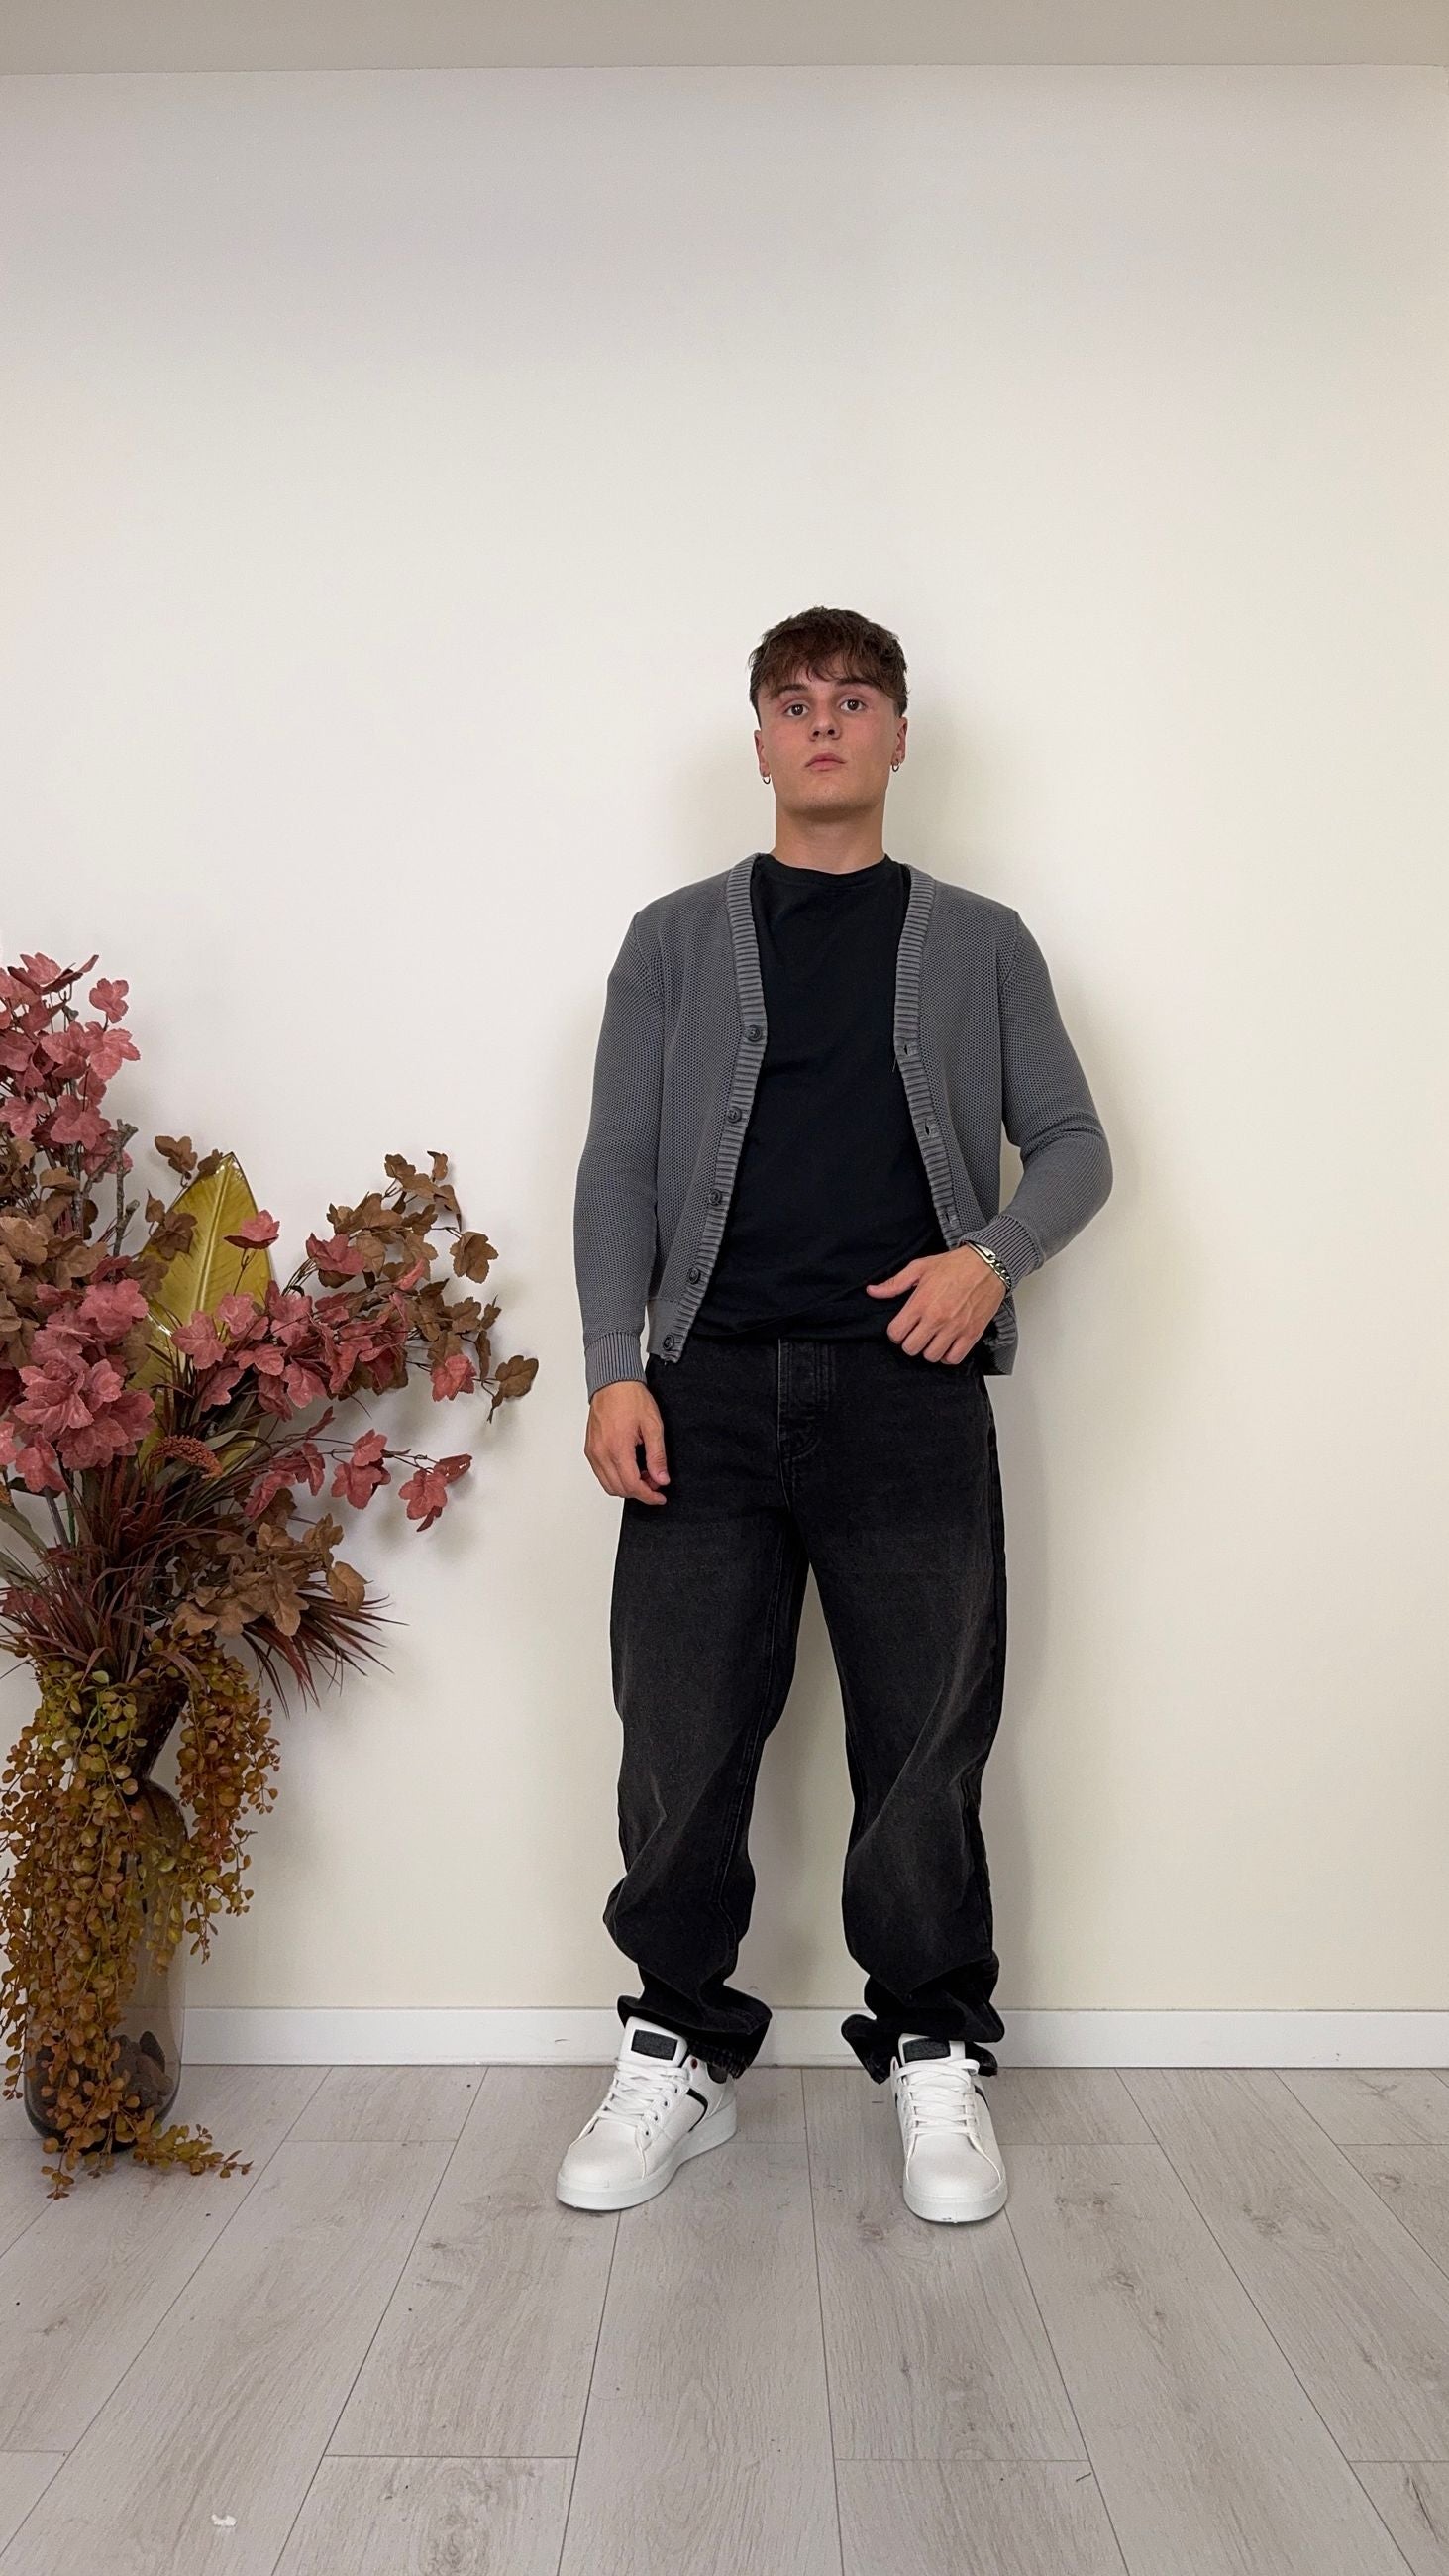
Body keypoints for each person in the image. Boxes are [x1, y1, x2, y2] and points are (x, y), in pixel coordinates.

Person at [560, 605, 1112, 2224]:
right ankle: (679, 2047)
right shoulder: (672, 940)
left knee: (924, 1748)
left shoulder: (982, 940)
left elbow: (1075, 1145)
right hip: (704, 1393)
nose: (823, 724)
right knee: (677, 1740)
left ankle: (934, 2050)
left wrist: (990, 1261)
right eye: (794, 702)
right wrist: (611, 1362)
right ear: (757, 740)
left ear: (897, 736)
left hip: (906, 1392)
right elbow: (619, 1166)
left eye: (854, 700)